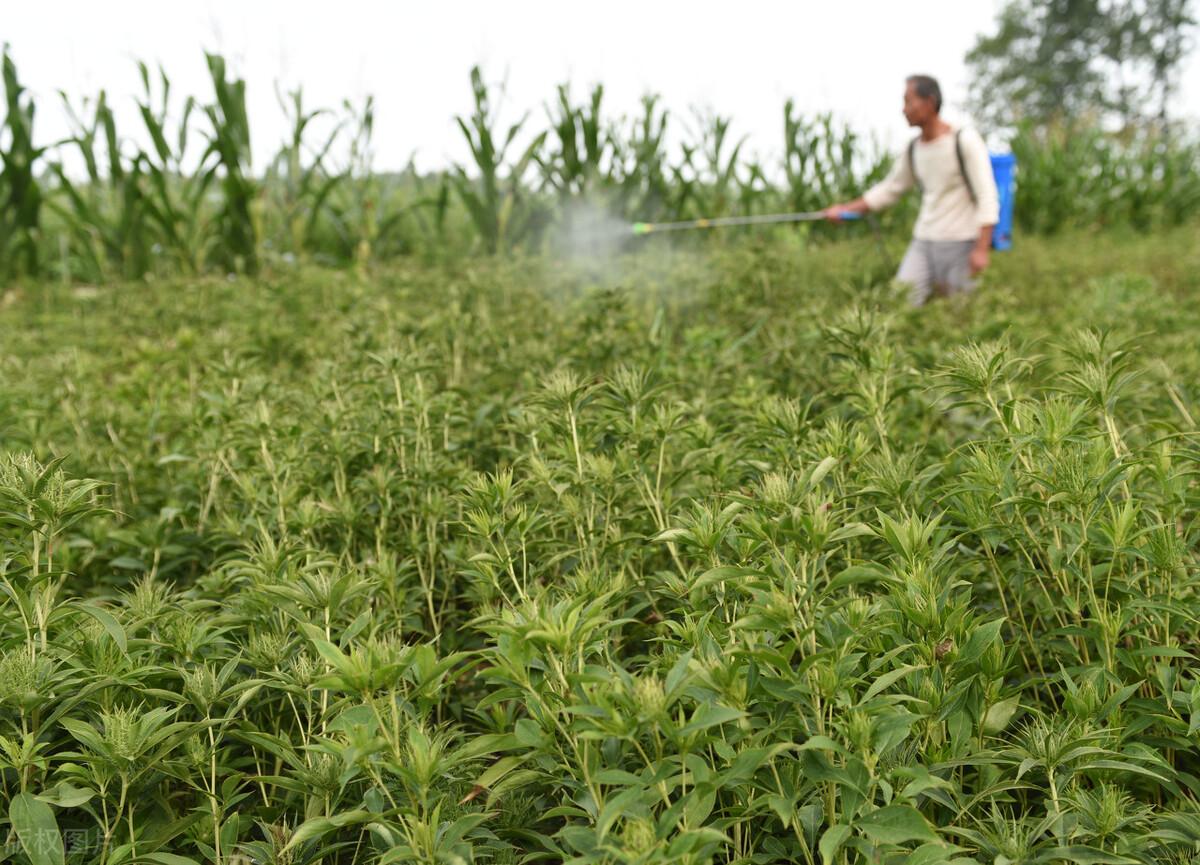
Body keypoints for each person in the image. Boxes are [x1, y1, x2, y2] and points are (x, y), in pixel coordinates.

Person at [824, 75, 1000, 306]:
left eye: (908, 101)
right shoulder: (913, 149)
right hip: (924, 240)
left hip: (961, 242)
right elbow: (889, 190)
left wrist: (981, 249)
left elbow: (987, 195)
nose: (904, 110)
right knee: (901, 301)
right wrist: (845, 210)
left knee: (959, 312)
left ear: (929, 102)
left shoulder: (964, 140)